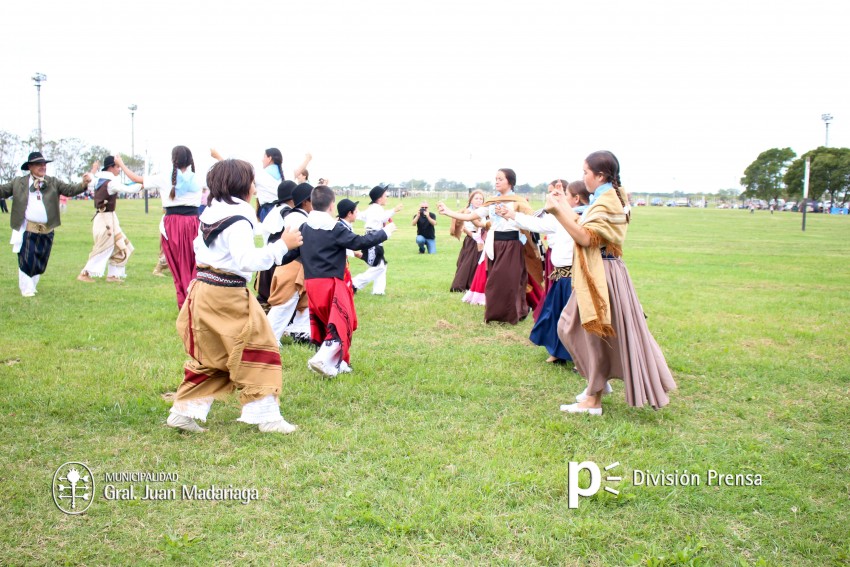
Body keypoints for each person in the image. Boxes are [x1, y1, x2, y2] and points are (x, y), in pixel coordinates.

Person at [165, 159, 303, 434]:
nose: (254, 186)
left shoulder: (210, 212)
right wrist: (281, 247)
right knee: (260, 349)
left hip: (204, 291)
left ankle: (184, 411)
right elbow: (245, 259)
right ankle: (266, 416)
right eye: (252, 181)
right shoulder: (239, 217)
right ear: (242, 185)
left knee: (211, 356)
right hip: (227, 296)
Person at [548, 150, 676, 415]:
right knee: (575, 327)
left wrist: (558, 213)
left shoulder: (607, 201)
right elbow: (584, 222)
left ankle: (593, 398)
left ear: (600, 175)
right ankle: (597, 383)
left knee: (587, 333)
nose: (583, 177)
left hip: (601, 274)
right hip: (602, 271)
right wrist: (562, 205)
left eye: (585, 172)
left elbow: (585, 237)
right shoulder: (609, 197)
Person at [295, 185, 396, 377]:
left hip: (311, 283)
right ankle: (322, 358)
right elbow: (359, 242)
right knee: (342, 323)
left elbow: (293, 253)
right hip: (332, 282)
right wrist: (385, 232)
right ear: (332, 205)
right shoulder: (334, 228)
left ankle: (339, 363)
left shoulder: (304, 227)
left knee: (327, 323)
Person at [497, 180, 590, 363]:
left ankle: (582, 358)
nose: (560, 199)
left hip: (577, 278)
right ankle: (557, 351)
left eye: (566, 196)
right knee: (555, 314)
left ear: (576, 199)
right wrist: (511, 214)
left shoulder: (588, 217)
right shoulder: (560, 217)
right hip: (561, 276)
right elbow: (537, 224)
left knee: (576, 320)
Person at [438, 169, 535, 324]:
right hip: (494, 245)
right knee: (494, 282)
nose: (496, 181)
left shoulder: (518, 202)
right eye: (495, 178)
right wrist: (448, 212)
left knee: (509, 281)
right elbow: (470, 216)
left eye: (500, 179)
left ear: (510, 181)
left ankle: (513, 313)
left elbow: (532, 221)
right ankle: (497, 314)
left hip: (512, 245)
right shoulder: (492, 202)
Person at [115, 147, 203, 309]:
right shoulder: (198, 179)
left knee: (177, 267)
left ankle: (185, 302)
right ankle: (195, 301)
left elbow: (136, 178)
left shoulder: (164, 177)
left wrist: (121, 163)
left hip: (173, 225)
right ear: (190, 160)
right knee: (194, 264)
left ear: (173, 160)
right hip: (193, 224)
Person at [0, 152, 93, 297]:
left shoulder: (53, 182)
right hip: (27, 228)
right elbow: (3, 191)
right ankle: (26, 288)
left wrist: (84, 184)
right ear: (30, 167)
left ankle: (33, 285)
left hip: (47, 229)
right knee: (26, 259)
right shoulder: (19, 182)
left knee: (40, 260)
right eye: (38, 164)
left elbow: (70, 190)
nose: (43, 167)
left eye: (44, 164)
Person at [77, 156, 145, 283]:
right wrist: (143, 184)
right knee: (104, 247)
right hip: (105, 219)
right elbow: (127, 188)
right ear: (111, 167)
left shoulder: (99, 179)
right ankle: (85, 273)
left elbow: (89, 178)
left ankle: (113, 275)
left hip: (109, 217)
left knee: (120, 245)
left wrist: (92, 171)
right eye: (117, 167)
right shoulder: (110, 183)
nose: (119, 169)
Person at [265, 183, 313, 343]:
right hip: (291, 265)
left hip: (297, 265)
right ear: (306, 202)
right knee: (284, 303)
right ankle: (268, 339)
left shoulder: (297, 216)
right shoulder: (297, 218)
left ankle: (299, 331)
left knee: (301, 302)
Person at [352, 185, 403, 295]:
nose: (387, 197)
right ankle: (354, 284)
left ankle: (378, 291)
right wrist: (394, 210)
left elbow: (361, 216)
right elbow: (383, 217)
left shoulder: (373, 208)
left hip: (374, 239)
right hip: (373, 240)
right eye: (385, 195)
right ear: (379, 198)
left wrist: (356, 210)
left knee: (381, 266)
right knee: (378, 266)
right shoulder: (376, 208)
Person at [255, 180, 297, 312]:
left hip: (270, 255)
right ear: (292, 199)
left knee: (266, 293)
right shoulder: (287, 212)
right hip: (278, 258)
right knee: (276, 294)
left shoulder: (275, 210)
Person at [211, 147, 284, 221]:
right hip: (281, 208)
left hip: (268, 210)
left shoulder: (261, 174)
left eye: (264, 156)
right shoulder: (281, 176)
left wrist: (218, 157)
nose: (262, 160)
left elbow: (236, 173)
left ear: (269, 158)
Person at [450, 190, 486, 292]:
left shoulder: (483, 212)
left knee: (477, 263)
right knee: (468, 263)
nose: (479, 201)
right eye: (476, 198)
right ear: (471, 200)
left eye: (481, 199)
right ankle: (460, 285)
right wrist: (474, 236)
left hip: (482, 239)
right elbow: (466, 228)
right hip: (472, 239)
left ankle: (474, 285)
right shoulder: (468, 212)